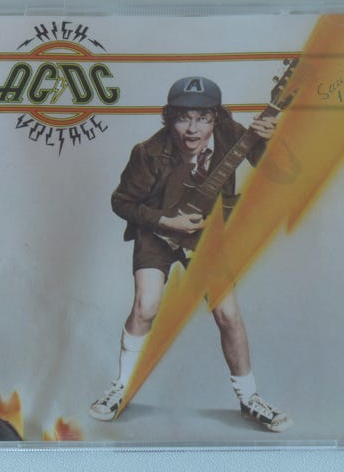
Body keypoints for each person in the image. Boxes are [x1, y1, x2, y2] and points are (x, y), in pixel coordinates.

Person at [89, 76, 292, 432]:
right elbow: (121, 202)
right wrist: (165, 220)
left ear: (216, 118)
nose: (193, 129)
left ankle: (249, 399)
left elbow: (286, 174)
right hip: (157, 229)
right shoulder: (148, 152)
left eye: (202, 118)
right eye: (183, 118)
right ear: (169, 118)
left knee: (228, 314)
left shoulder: (233, 135)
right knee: (146, 305)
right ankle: (121, 388)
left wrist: (271, 141)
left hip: (205, 235)